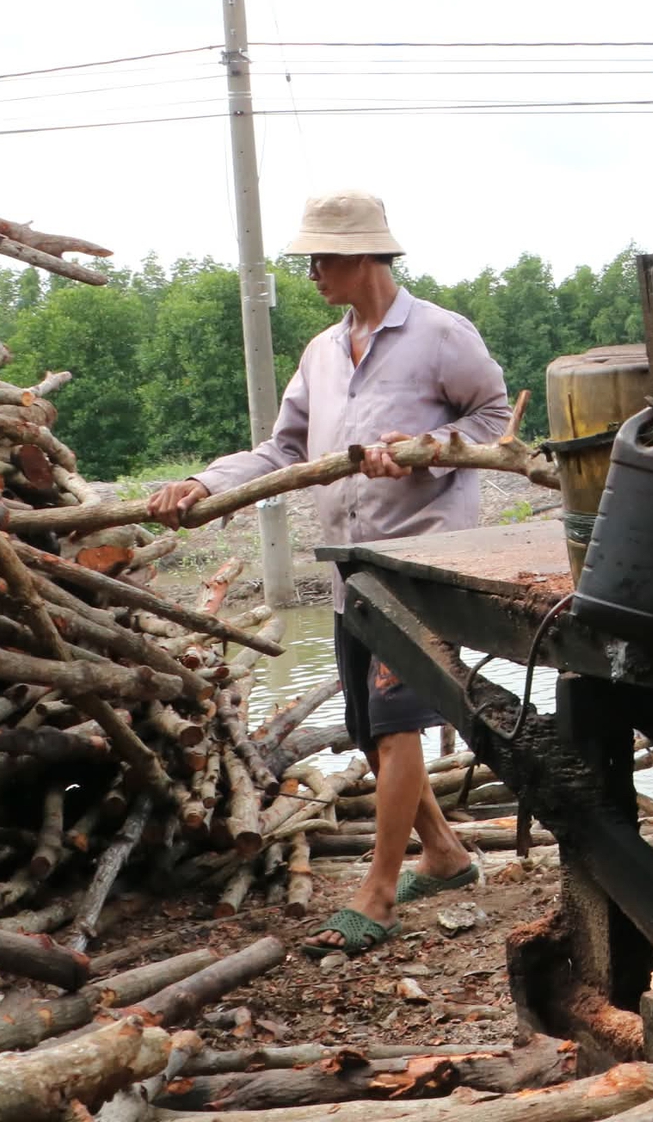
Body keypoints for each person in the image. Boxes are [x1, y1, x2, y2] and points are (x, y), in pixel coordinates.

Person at [147, 191, 512, 958]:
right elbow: (283, 449)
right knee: (368, 726)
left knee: (397, 719)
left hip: (419, 562)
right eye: (309, 256)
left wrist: (427, 444)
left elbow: (492, 419)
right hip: (349, 566)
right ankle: (444, 854)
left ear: (368, 257)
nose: (311, 270)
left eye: (323, 256)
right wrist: (205, 482)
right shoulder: (321, 353)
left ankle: (377, 892)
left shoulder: (443, 333)